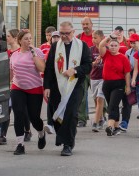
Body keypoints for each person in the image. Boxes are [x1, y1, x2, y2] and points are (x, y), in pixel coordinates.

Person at [43, 21, 92, 156]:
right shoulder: (55, 46)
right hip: (57, 86)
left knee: (71, 113)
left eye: (67, 33)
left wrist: (75, 70)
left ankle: (68, 144)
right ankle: (63, 137)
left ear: (73, 32)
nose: (64, 36)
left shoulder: (82, 46)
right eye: (61, 33)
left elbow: (88, 66)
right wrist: (47, 86)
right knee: (58, 113)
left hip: (75, 85)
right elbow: (49, 68)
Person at [9, 30, 47, 155]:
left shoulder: (37, 52)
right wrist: (6, 85)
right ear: (19, 40)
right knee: (18, 114)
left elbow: (42, 68)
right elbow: (11, 72)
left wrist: (33, 53)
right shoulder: (14, 55)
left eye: (30, 38)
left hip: (34, 88)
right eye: (26, 39)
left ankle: (41, 134)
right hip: (17, 87)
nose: (29, 41)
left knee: (34, 118)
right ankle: (20, 144)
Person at [100, 36, 132, 136]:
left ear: (119, 47)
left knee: (112, 105)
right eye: (111, 45)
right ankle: (116, 127)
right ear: (108, 46)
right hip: (107, 84)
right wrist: (110, 37)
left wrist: (128, 86)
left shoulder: (123, 58)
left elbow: (127, 73)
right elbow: (101, 45)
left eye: (115, 46)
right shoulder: (106, 55)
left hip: (119, 84)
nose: (113, 47)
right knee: (112, 105)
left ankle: (109, 126)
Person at [89, 30, 106, 132]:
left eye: (95, 38)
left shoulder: (106, 49)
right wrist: (94, 63)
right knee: (96, 101)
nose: (93, 40)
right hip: (94, 77)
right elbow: (88, 64)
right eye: (92, 37)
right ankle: (101, 118)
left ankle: (96, 122)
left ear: (102, 38)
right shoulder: (91, 50)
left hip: (103, 78)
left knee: (100, 99)